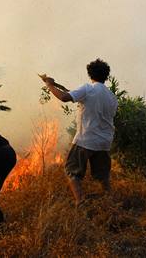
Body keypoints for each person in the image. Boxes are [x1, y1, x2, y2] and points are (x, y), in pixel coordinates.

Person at [41, 58, 118, 206]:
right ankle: (110, 203)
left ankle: (80, 201)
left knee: (72, 172)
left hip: (86, 139)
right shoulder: (111, 97)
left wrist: (50, 85)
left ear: (90, 74)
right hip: (104, 142)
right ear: (106, 76)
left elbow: (64, 97)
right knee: (103, 177)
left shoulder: (88, 89)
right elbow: (87, 100)